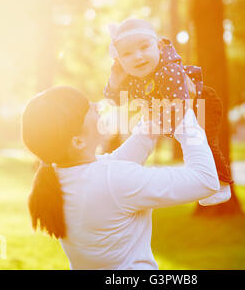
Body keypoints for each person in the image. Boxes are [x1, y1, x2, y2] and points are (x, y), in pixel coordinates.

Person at [21, 85, 220, 270]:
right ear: (78, 141)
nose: (97, 106)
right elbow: (205, 179)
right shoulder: (112, 181)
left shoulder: (64, 175)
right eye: (88, 108)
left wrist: (157, 111)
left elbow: (125, 159)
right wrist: (185, 116)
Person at [103, 18, 233, 206]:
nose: (138, 56)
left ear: (158, 46)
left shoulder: (168, 69)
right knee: (161, 132)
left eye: (144, 47)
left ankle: (222, 183)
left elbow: (179, 103)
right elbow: (112, 100)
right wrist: (115, 79)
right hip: (168, 111)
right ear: (119, 61)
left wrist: (157, 123)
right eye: (127, 54)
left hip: (201, 103)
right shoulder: (130, 78)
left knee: (204, 140)